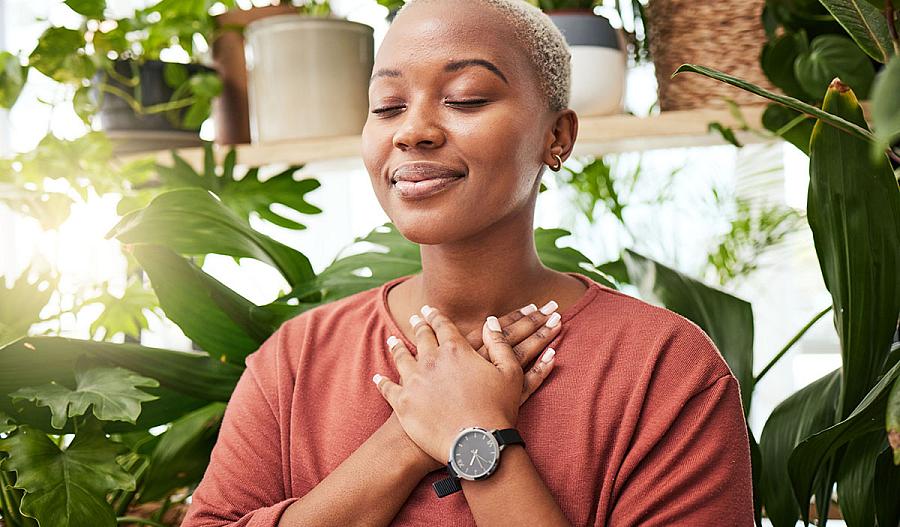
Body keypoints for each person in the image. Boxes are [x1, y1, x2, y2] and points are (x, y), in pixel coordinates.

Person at [181, 0, 755, 525]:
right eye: (387, 106)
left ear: (557, 136)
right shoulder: (296, 358)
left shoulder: (665, 370)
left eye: (466, 99)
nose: (412, 131)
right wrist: (405, 439)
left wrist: (476, 435)